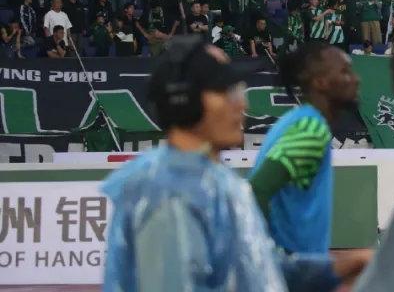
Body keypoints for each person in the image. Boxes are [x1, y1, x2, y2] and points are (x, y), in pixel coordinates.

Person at [101, 36, 369, 291]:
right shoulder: (168, 194)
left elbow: (257, 269)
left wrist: (346, 265)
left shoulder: (213, 181)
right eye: (226, 91)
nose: (242, 103)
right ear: (185, 99)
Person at [249, 42, 361, 255]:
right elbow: (257, 191)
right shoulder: (311, 130)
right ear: (320, 82)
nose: (356, 79)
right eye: (345, 72)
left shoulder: (297, 120)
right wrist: (277, 260)